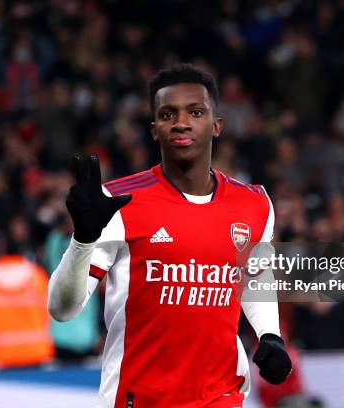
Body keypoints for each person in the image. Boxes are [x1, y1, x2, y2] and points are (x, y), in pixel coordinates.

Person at [48, 63, 291, 407]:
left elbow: (255, 275)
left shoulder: (254, 203)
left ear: (216, 126)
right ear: (154, 130)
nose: (181, 122)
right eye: (167, 114)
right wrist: (83, 238)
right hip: (139, 398)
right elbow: (61, 308)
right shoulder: (116, 203)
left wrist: (270, 335)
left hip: (221, 395)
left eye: (195, 112)